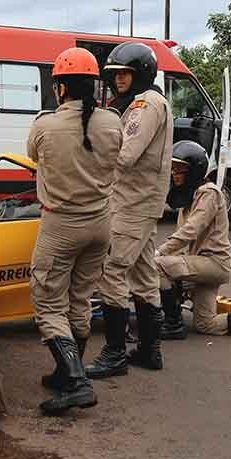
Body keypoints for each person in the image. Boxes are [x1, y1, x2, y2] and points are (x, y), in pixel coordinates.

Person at [26, 47, 122, 414]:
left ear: (61, 88)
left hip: (60, 226)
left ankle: (78, 383)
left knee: (49, 303)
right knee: (80, 299)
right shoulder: (113, 121)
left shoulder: (45, 125)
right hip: (101, 224)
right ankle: (67, 372)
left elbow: (33, 156)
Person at [86, 42, 173, 379]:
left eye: (125, 73)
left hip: (133, 201)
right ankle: (149, 350)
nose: (119, 79)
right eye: (116, 74)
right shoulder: (139, 102)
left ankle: (115, 353)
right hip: (138, 200)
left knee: (112, 270)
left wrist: (89, 152)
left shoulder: (145, 104)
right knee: (143, 275)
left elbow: (125, 154)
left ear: (141, 73)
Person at [155, 140, 231, 339]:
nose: (174, 174)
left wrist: (160, 253)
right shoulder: (189, 198)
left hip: (213, 263)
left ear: (194, 171)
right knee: (206, 324)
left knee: (157, 265)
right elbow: (181, 239)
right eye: (174, 169)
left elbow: (190, 231)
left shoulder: (209, 193)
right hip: (202, 265)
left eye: (179, 170)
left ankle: (173, 323)